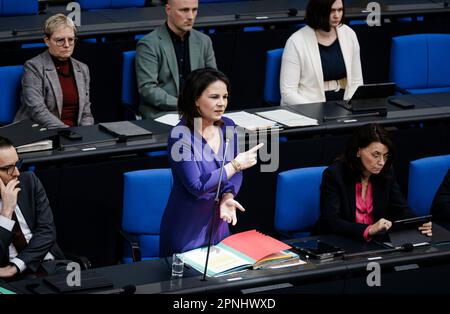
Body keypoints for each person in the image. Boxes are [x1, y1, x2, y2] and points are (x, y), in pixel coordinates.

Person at [159, 68, 263, 257]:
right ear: (195, 99)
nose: (221, 104)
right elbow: (197, 185)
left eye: (225, 97)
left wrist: (227, 196)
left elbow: (236, 175)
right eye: (214, 97)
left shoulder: (228, 125)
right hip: (187, 228)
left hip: (220, 223)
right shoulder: (180, 136)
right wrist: (235, 165)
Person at [316, 124, 432, 241]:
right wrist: (369, 230)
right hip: (340, 241)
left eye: (385, 156)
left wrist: (417, 223)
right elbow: (331, 221)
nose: (382, 162)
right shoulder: (334, 175)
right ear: (358, 151)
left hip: (375, 243)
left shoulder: (386, 172)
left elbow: (400, 208)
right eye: (375, 155)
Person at [0, 136, 68, 282]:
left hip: (50, 264)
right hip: (7, 278)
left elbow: (47, 232)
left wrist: (16, 266)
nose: (17, 173)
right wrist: (6, 213)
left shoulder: (29, 181)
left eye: (17, 164)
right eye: (7, 168)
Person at [136, 0, 217, 119]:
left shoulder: (204, 41)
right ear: (168, 10)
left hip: (198, 111)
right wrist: (185, 104)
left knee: (227, 132)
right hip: (163, 113)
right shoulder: (149, 44)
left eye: (194, 10)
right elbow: (148, 89)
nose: (190, 16)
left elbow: (213, 81)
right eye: (184, 10)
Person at [14, 14, 94, 129]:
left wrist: (85, 132)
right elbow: (38, 111)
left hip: (75, 133)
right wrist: (67, 132)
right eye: (60, 40)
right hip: (40, 131)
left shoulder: (82, 68)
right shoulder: (33, 67)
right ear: (47, 41)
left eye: (71, 40)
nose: (67, 45)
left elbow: (86, 112)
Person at [280, 0, 363, 105]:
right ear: (318, 11)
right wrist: (314, 111)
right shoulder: (295, 41)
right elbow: (288, 93)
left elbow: (357, 82)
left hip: (344, 104)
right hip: (308, 106)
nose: (337, 15)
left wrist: (352, 106)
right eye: (332, 11)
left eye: (340, 10)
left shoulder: (349, 34)